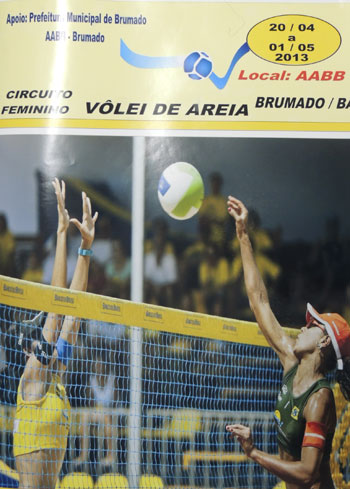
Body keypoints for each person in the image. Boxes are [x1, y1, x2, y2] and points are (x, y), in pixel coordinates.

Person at [225, 196, 350, 489]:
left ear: (323, 344)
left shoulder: (320, 400)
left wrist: (253, 453)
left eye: (313, 326)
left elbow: (307, 474)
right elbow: (259, 301)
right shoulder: (290, 361)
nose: (304, 327)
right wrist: (243, 235)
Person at [13, 179, 98, 489]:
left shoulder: (56, 377)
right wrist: (62, 234)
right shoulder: (33, 378)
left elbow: (73, 312)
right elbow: (57, 308)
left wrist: (86, 247)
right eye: (39, 338)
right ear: (28, 350)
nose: (44, 341)